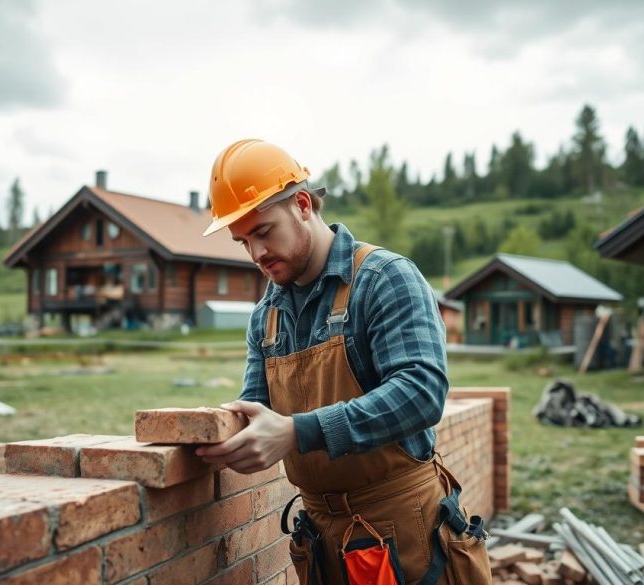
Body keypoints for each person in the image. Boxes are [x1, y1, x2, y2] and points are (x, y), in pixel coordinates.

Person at [196, 139, 490, 584]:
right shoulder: (267, 316)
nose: (256, 254)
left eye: (262, 232)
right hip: (322, 542)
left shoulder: (384, 278)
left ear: (300, 204)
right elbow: (259, 412)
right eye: (243, 242)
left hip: (405, 534)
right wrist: (219, 435)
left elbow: (421, 392)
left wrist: (297, 431)